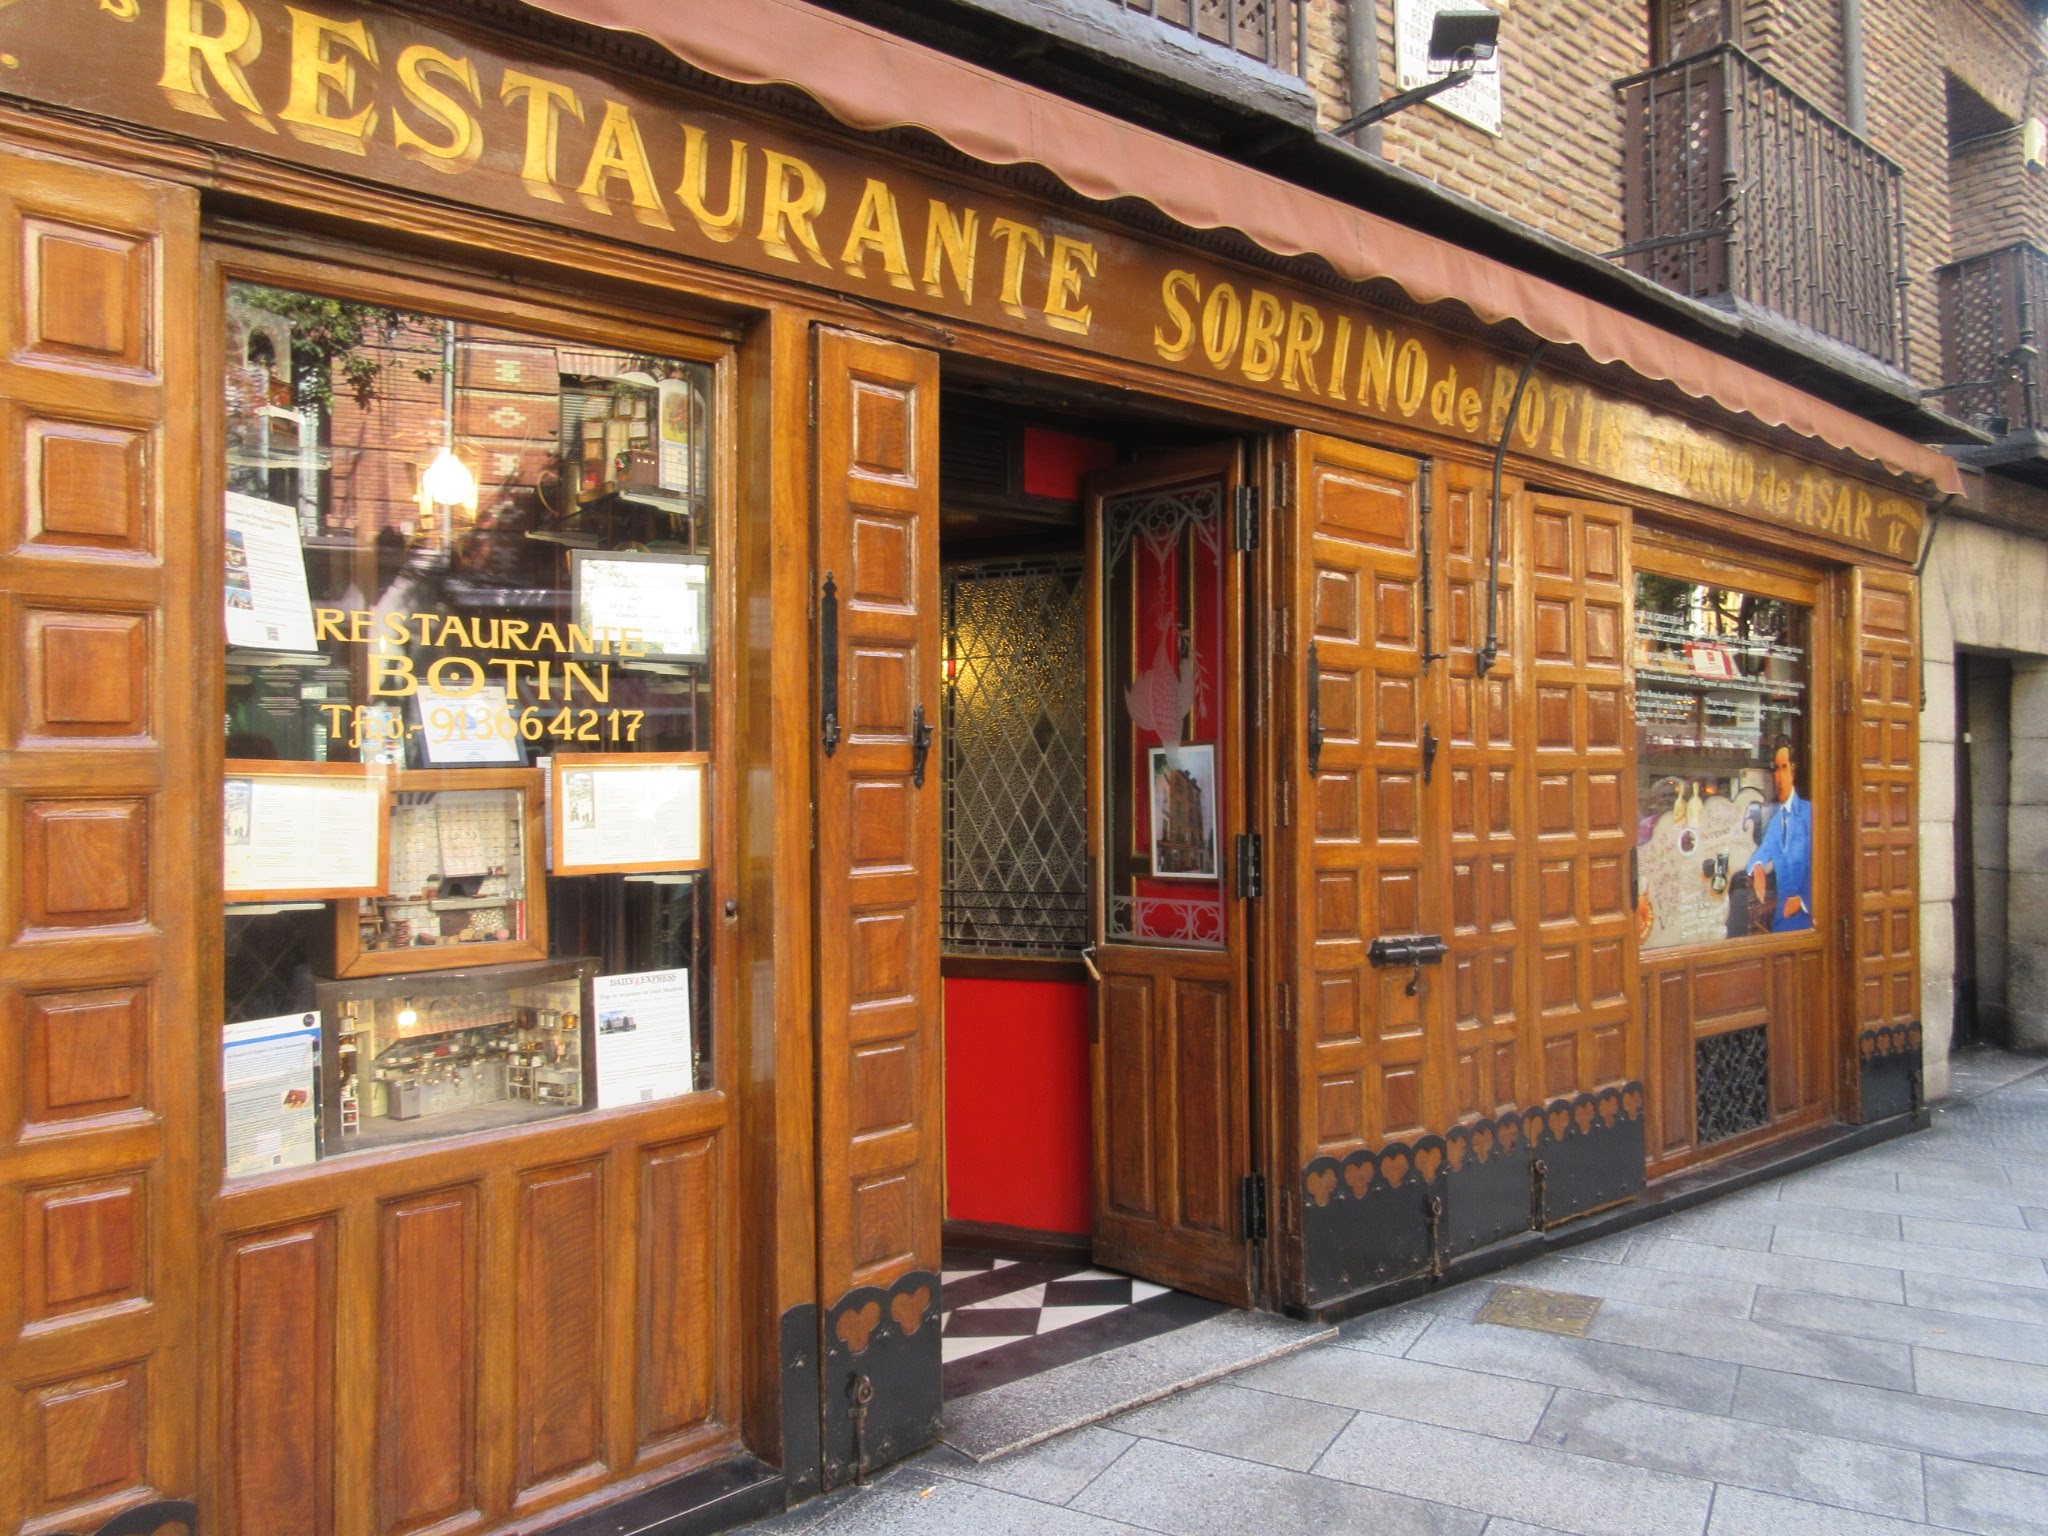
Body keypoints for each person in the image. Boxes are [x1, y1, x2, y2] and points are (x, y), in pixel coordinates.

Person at [1747, 735, 1812, 932]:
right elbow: (1761, 853)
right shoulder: (1776, 821)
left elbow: (1827, 868)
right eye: (1776, 768)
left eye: (1784, 768)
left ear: (1794, 771)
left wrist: (1802, 901)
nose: (1779, 776)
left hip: (1810, 923)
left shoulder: (1810, 813)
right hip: (1782, 924)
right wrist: (1758, 868)